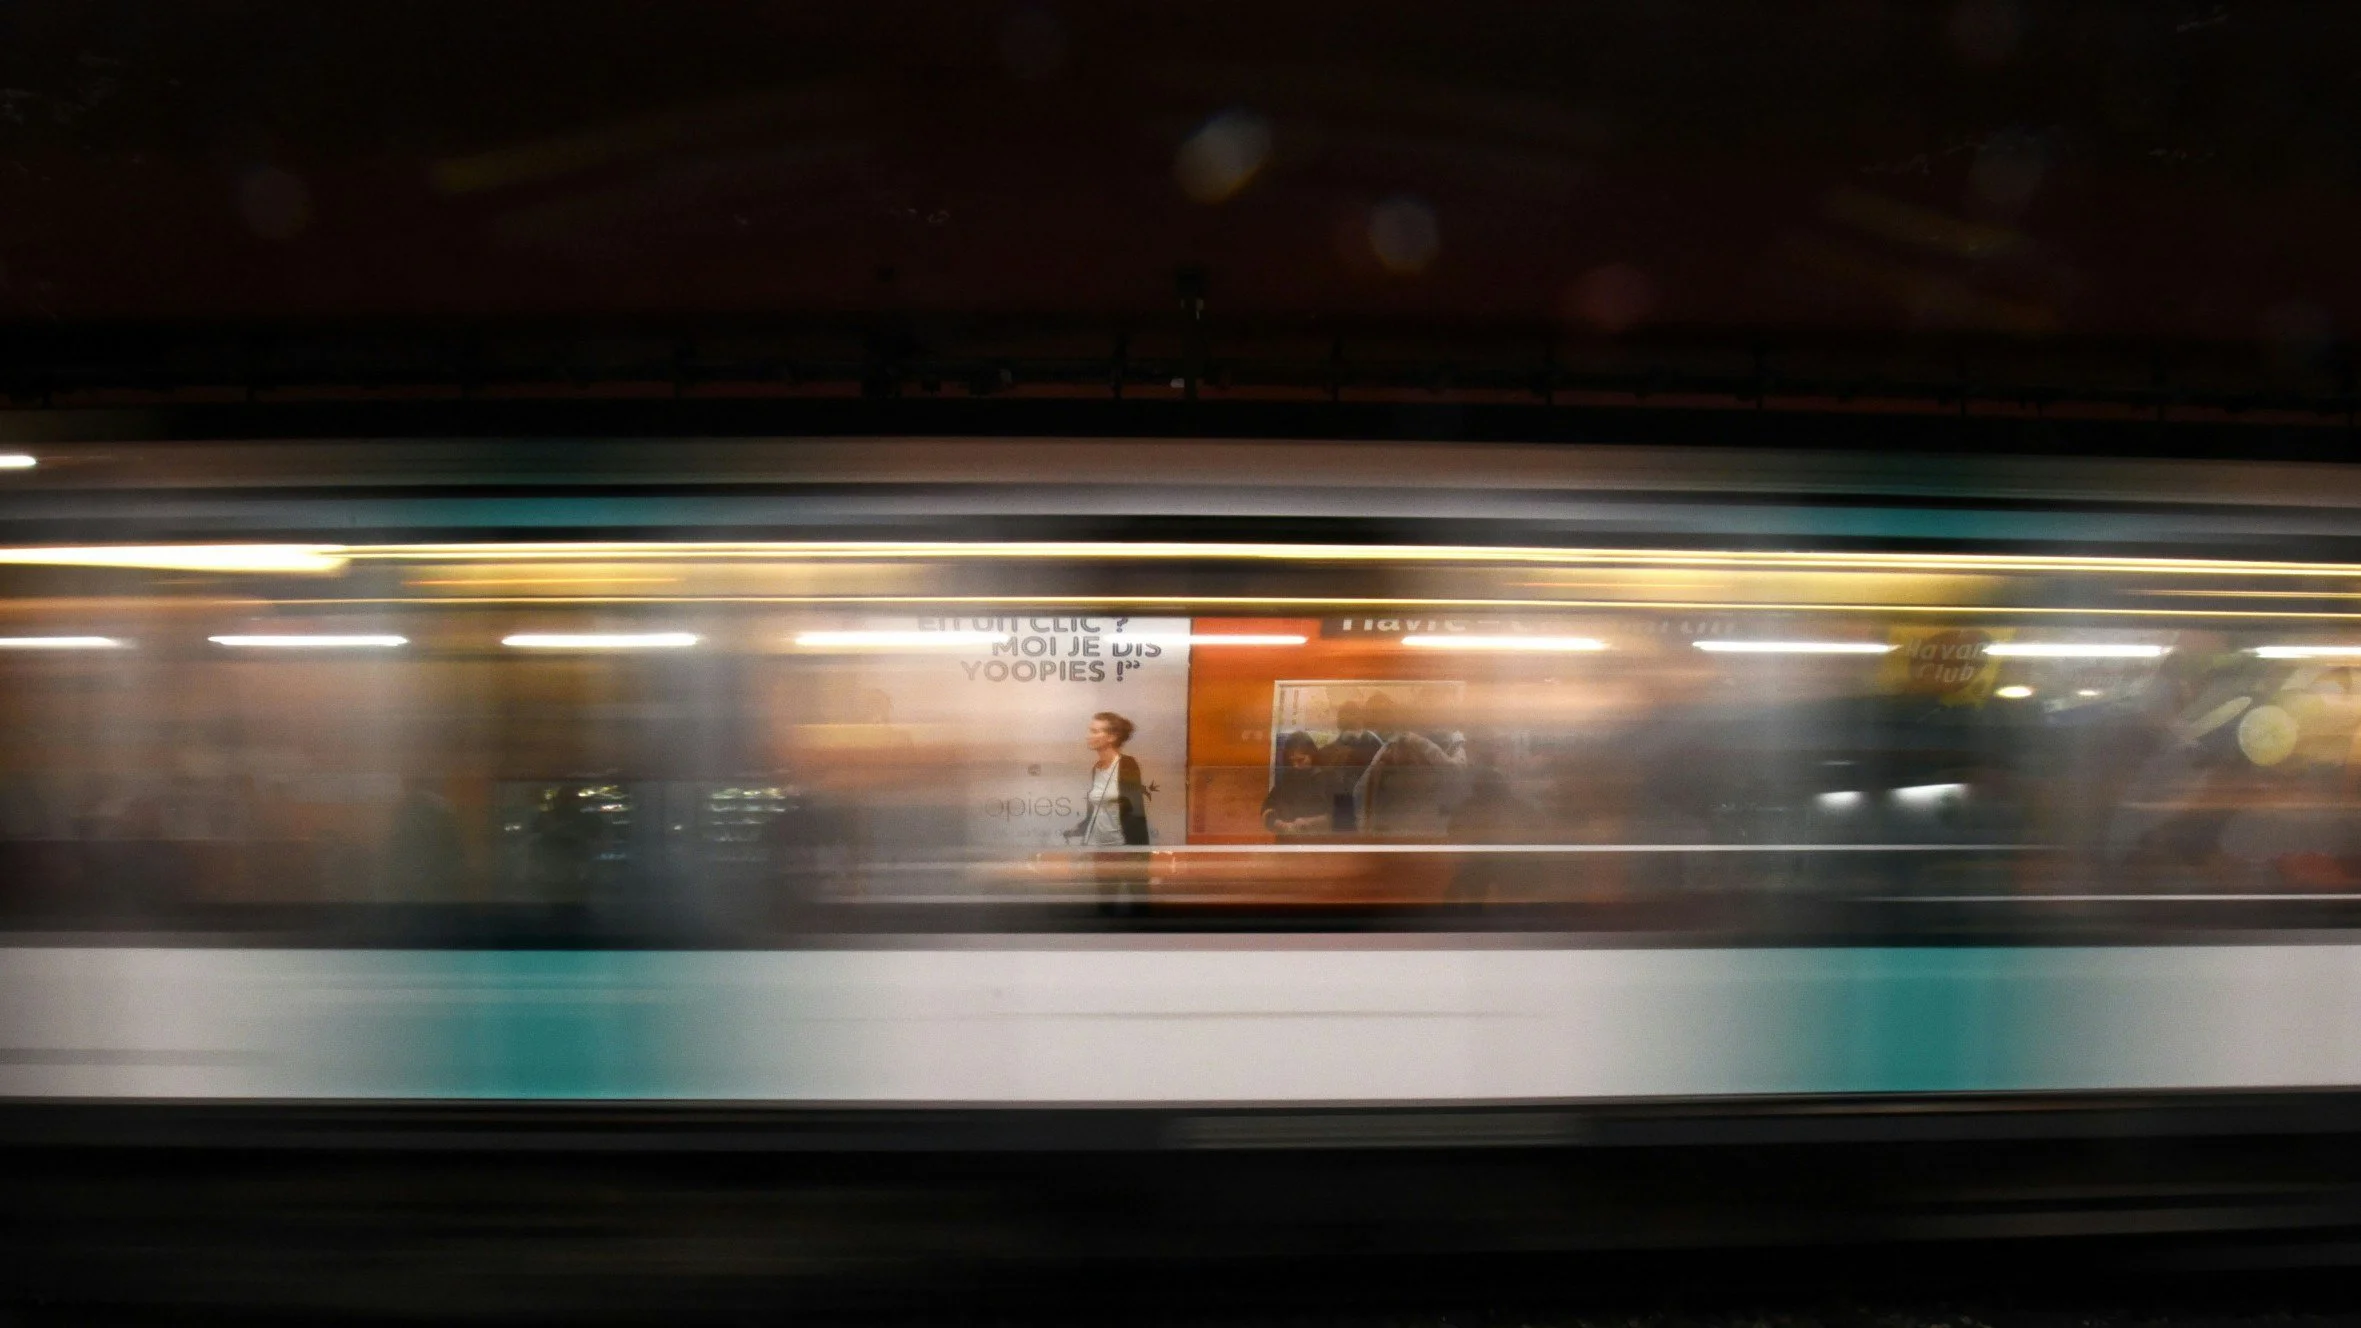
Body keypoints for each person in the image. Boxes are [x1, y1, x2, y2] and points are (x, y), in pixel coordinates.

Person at [1066, 711, 1150, 914]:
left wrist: (1139, 853)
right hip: (1101, 848)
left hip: (1124, 847)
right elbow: (1096, 811)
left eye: (1095, 731)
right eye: (1090, 730)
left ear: (1111, 737)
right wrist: (1078, 829)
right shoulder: (1097, 768)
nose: (1089, 735)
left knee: (1139, 907)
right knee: (1106, 906)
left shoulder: (1127, 764)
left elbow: (1135, 810)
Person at [1353, 695, 1468, 837]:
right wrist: (1459, 743)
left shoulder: (1389, 748)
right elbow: (1455, 771)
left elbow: (1359, 791)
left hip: (1391, 833)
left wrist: (1368, 827)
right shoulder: (1420, 743)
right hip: (1425, 832)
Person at [1262, 731, 1333, 835]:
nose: (1295, 766)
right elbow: (1267, 807)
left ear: (1312, 755)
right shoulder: (1288, 778)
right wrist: (1278, 823)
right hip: (1288, 839)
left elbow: (1340, 816)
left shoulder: (1327, 778)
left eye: (1300, 760)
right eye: (1292, 761)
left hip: (1317, 842)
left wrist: (1309, 823)